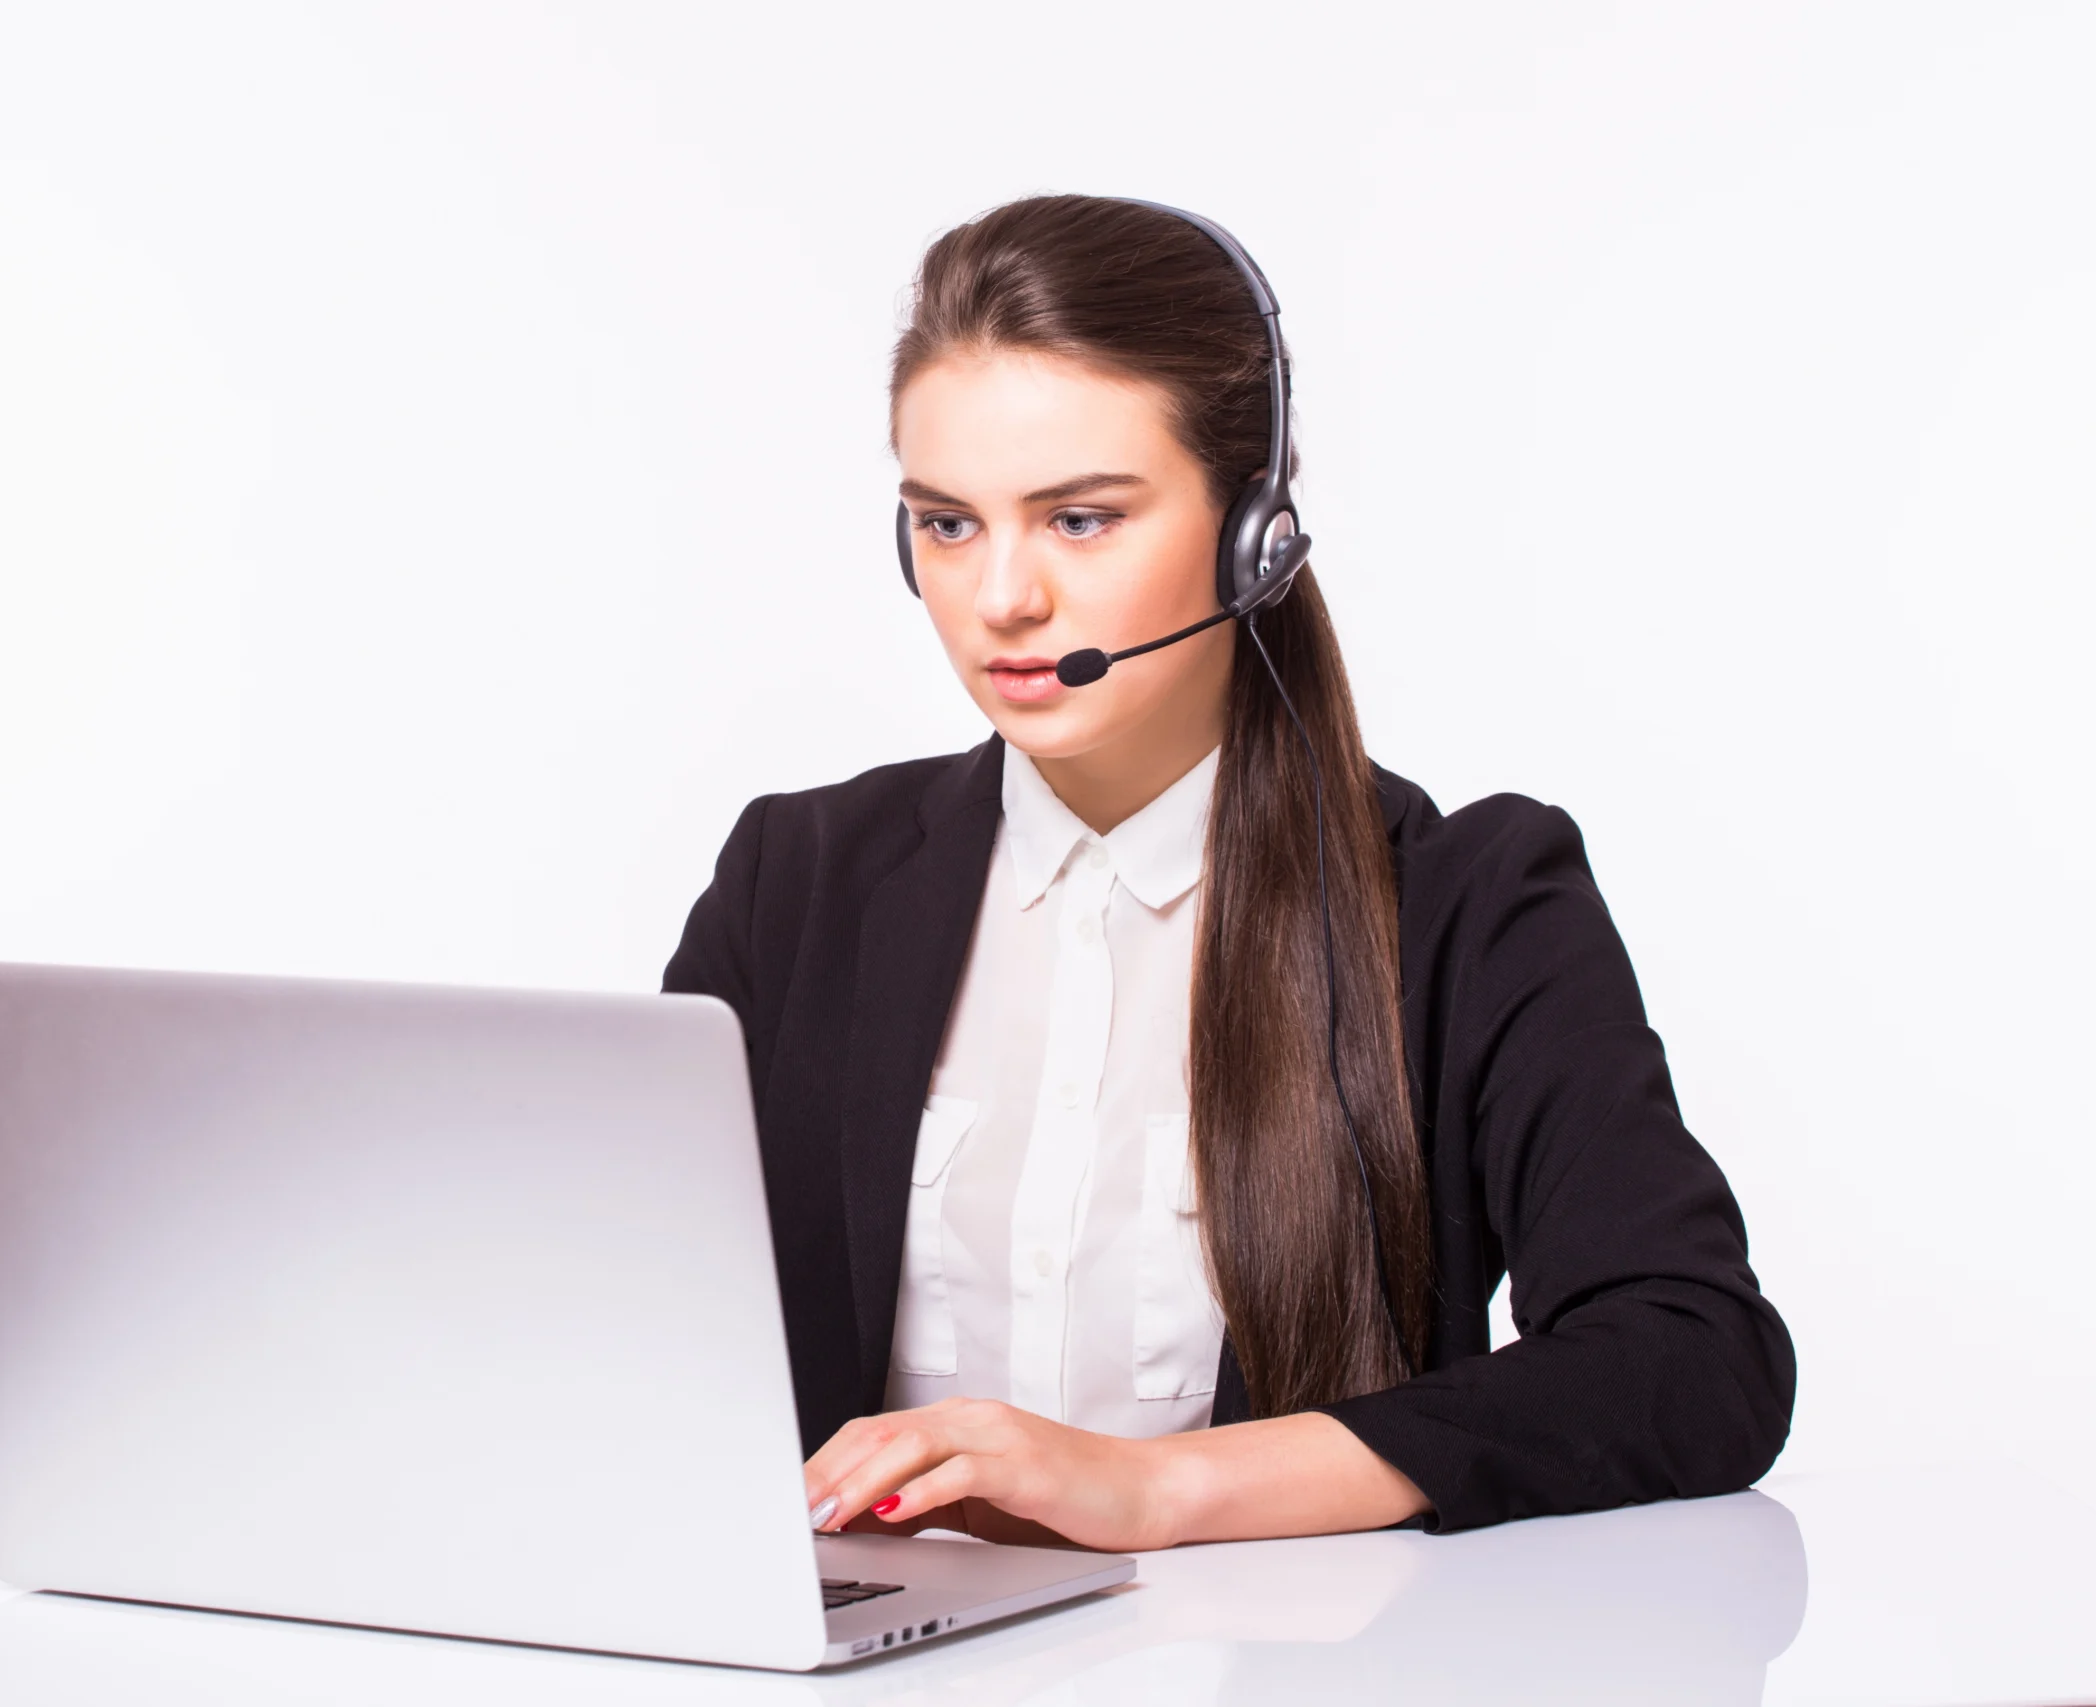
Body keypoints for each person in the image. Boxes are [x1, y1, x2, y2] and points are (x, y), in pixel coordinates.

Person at [661, 194, 1793, 1546]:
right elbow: (631, 1324)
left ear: (1256, 533)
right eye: (949, 523)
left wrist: (1158, 1489)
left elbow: (1693, 1352)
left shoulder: (1468, 905)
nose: (1002, 598)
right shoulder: (798, 881)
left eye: (1080, 520)